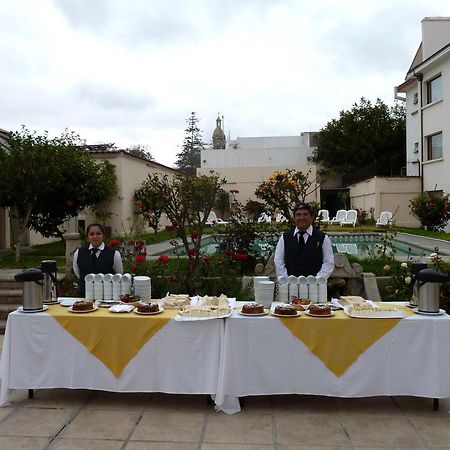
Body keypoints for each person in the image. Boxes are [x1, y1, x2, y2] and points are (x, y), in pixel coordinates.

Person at [274, 204, 334, 278]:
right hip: (290, 285)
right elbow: (278, 260)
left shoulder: (322, 238)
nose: (302, 218)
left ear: (312, 218)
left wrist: (317, 281)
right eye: (298, 215)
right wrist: (286, 280)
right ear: (294, 218)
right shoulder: (285, 237)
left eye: (305, 214)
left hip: (315, 286)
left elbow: (328, 262)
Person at [73, 223, 124, 297]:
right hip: (85, 296)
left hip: (107, 297)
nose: (95, 236)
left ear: (103, 235)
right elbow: (78, 272)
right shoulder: (79, 253)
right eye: (91, 234)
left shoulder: (114, 254)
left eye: (98, 233)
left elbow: (119, 275)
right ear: (87, 237)